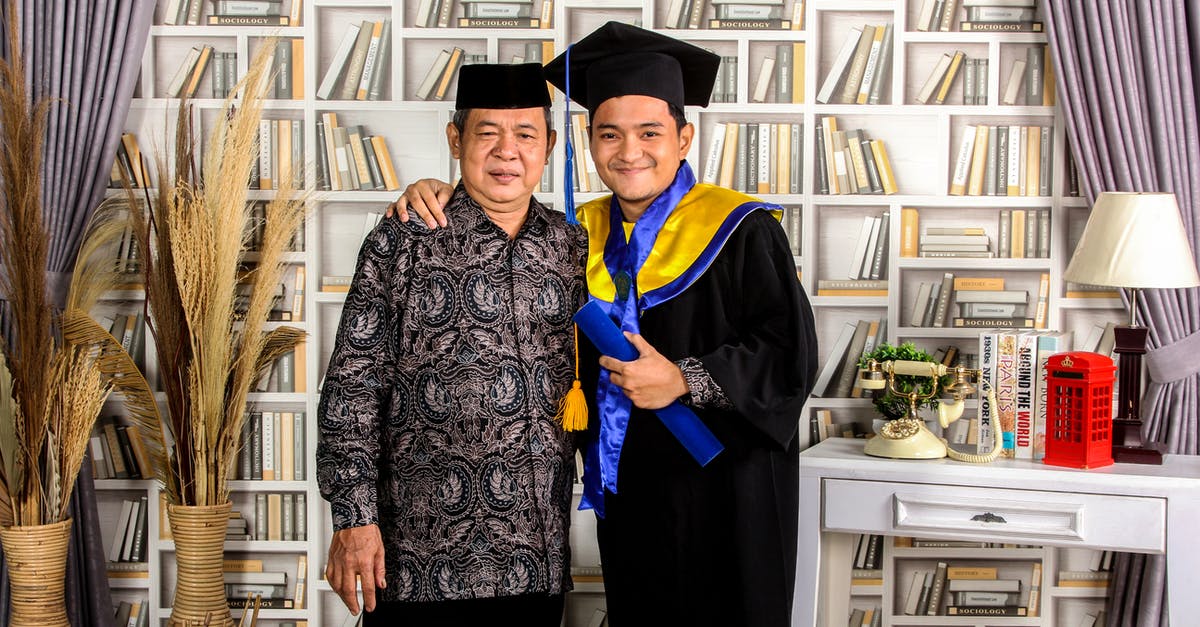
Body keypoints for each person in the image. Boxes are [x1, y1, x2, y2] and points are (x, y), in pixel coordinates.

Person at [395, 23, 817, 626]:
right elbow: (492, 217)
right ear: (589, 142)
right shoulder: (573, 236)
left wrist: (685, 379)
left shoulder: (742, 229)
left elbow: (790, 353)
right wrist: (434, 189)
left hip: (728, 489)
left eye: (650, 133)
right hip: (632, 495)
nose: (629, 152)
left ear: (684, 137)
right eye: (608, 134)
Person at [316, 62, 586, 626]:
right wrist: (353, 518)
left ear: (551, 145)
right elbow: (352, 389)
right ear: (455, 139)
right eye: (487, 133)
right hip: (421, 562)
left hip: (537, 560)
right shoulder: (403, 240)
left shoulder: (573, 247)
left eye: (526, 135)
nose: (507, 152)